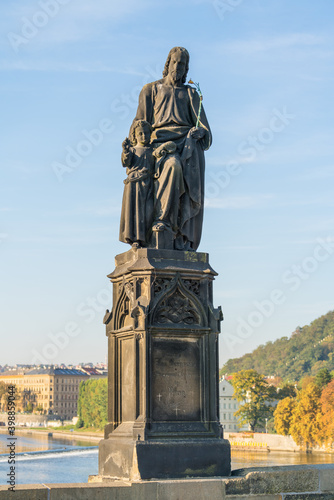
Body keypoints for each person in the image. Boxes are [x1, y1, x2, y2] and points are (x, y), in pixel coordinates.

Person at [134, 46, 212, 250]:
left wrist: (199, 133)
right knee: (173, 166)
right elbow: (138, 126)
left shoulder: (191, 94)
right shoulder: (151, 90)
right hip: (160, 148)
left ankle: (177, 231)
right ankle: (163, 222)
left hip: (186, 146)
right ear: (168, 63)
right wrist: (136, 155)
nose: (178, 67)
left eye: (182, 64)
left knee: (182, 164)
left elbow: (205, 129)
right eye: (175, 62)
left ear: (186, 68)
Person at [119, 120, 154, 248]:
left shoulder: (152, 150)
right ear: (135, 135)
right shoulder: (132, 150)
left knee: (148, 212)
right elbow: (125, 162)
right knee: (135, 212)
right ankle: (136, 240)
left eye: (146, 133)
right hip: (134, 185)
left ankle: (148, 238)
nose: (144, 136)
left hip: (149, 185)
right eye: (140, 134)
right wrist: (126, 150)